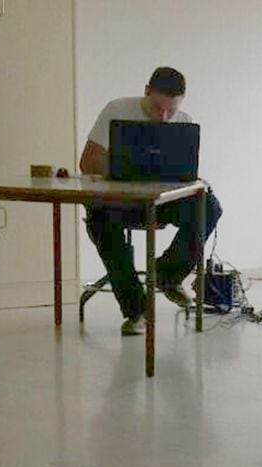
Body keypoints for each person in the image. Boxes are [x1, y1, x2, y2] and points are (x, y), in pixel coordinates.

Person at [79, 67, 222, 335]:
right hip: (119, 203)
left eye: (170, 110)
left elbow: (184, 174)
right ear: (146, 91)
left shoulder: (183, 122)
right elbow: (88, 162)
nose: (163, 116)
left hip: (162, 203)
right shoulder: (117, 109)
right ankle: (136, 310)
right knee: (99, 220)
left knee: (209, 208)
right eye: (158, 108)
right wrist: (128, 170)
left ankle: (167, 274)